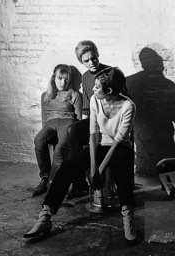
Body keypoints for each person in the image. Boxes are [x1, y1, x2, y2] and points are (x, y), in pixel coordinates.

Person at [24, 67, 137, 244]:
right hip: (99, 144)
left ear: (108, 91)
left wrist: (99, 170)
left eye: (97, 86)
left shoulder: (128, 106)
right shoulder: (95, 100)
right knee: (66, 168)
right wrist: (93, 167)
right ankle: (45, 216)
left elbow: (119, 140)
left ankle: (128, 218)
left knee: (122, 172)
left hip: (119, 147)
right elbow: (93, 133)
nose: (93, 89)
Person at [66, 40, 130, 199]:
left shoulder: (110, 73)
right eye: (86, 60)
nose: (91, 63)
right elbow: (88, 104)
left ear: (98, 55)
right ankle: (78, 183)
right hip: (96, 118)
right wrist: (87, 125)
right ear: (81, 61)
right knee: (72, 130)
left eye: (93, 58)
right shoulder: (86, 77)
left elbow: (126, 99)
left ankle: (105, 181)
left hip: (113, 120)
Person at [32, 64, 82, 197]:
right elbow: (44, 118)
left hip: (68, 122)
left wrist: (70, 134)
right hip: (50, 124)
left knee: (60, 150)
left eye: (66, 79)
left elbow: (79, 118)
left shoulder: (74, 94)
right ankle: (45, 177)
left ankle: (53, 184)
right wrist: (47, 133)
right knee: (38, 140)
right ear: (54, 78)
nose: (63, 82)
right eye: (60, 78)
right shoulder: (46, 95)